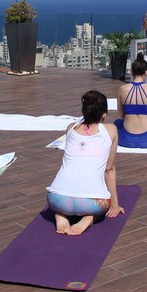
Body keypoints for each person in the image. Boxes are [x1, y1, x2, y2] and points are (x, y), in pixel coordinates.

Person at [46, 90, 124, 235]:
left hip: (56, 198)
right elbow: (109, 169)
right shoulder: (111, 130)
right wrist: (114, 204)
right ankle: (89, 218)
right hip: (92, 203)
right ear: (104, 115)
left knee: (64, 203)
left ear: (83, 111)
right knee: (101, 205)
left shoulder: (70, 128)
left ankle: (61, 215)